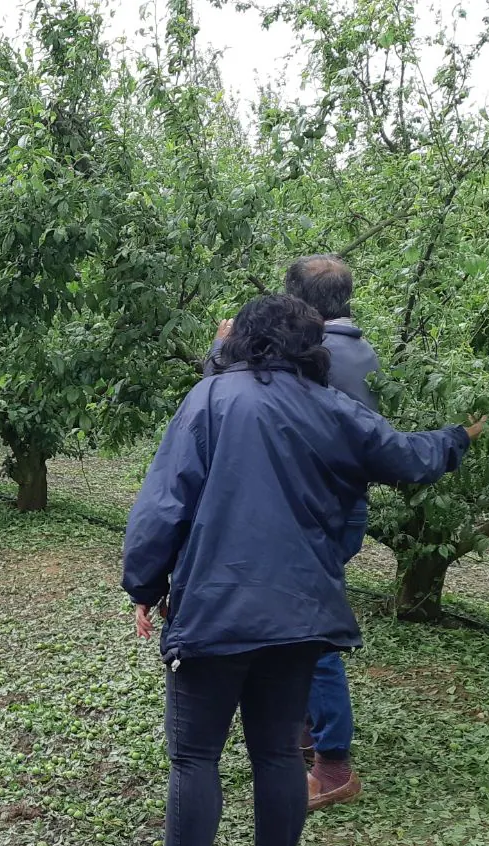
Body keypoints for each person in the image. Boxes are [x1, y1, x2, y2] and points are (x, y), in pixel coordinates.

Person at [125, 294, 482, 846]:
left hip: (214, 610)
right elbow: (407, 456)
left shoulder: (208, 399)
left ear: (240, 340)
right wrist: (459, 436)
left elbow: (164, 504)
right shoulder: (331, 408)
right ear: (309, 347)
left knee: (194, 759)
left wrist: (146, 584)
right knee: (279, 754)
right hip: (299, 616)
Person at [207, 255, 378, 811]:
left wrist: (224, 348)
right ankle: (306, 733)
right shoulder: (359, 349)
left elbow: (225, 398)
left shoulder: (315, 359)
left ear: (299, 304)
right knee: (297, 623)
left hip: (308, 513)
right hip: (334, 507)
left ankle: (332, 765)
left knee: (308, 634)